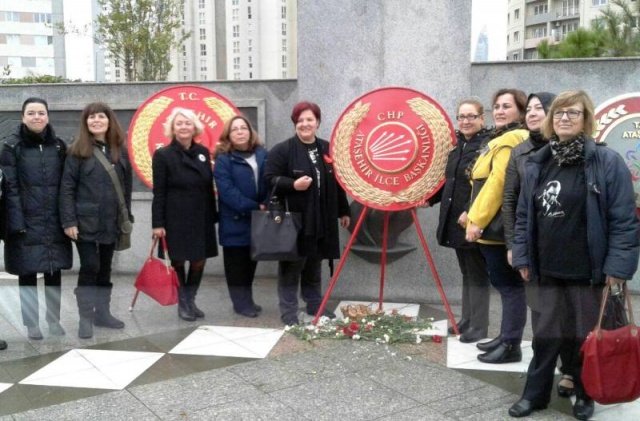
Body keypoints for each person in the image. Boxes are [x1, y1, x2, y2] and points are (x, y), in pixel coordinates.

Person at [509, 90, 639, 420]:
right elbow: (524, 215)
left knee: (584, 337)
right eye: (559, 113)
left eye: (573, 113)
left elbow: (624, 220)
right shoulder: (539, 162)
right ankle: (534, 395)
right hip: (546, 268)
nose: (564, 118)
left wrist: (618, 267)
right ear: (551, 121)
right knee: (545, 337)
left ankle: (585, 393)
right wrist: (522, 257)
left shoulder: (606, 162)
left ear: (586, 119)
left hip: (588, 271)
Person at [503, 92, 575, 397]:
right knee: (543, 322)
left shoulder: (592, 155)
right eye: (529, 108)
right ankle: (538, 387)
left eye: (540, 108)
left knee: (575, 323)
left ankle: (574, 376)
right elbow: (513, 203)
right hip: (538, 252)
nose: (534, 113)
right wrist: (515, 247)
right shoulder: (524, 154)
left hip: (576, 255)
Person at [264, 101, 351, 326]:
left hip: (321, 219)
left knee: (314, 263)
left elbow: (338, 183)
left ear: (317, 122)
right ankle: (289, 312)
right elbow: (269, 179)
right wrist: (293, 185)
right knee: (291, 267)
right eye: (300, 120)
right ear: (295, 123)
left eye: (310, 119)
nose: (305, 124)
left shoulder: (326, 147)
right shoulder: (282, 150)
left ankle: (315, 305)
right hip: (294, 220)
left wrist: (343, 210)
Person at [0, 97, 72, 340]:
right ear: (23, 117)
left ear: (47, 116)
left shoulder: (59, 146)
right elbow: (10, 188)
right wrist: (17, 224)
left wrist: (67, 219)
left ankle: (53, 320)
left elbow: (66, 185)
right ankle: (32, 324)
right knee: (27, 273)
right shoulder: (11, 147)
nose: (36, 117)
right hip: (25, 221)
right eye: (31, 113)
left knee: (54, 271)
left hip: (53, 220)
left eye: (41, 112)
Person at [466, 88, 529, 363]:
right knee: (505, 285)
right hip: (494, 224)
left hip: (496, 228)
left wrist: (475, 220)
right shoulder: (503, 137)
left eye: (507, 106)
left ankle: (511, 344)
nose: (500, 111)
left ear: (521, 111)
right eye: (497, 106)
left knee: (509, 286)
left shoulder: (512, 139)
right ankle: (506, 337)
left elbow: (497, 184)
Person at [59, 102, 133, 339]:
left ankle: (103, 313)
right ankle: (85, 318)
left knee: (105, 269)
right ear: (86, 122)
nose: (97, 121)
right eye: (92, 118)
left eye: (101, 117)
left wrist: (126, 216)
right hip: (84, 222)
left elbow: (126, 188)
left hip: (111, 221)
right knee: (90, 267)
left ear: (109, 121)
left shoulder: (118, 150)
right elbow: (67, 189)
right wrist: (69, 221)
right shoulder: (76, 151)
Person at [426, 98, 491, 343]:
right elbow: (450, 184)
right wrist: (430, 200)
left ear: (482, 118)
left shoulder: (486, 146)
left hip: (472, 220)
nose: (465, 121)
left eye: (471, 116)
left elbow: (485, 186)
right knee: (466, 272)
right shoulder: (458, 148)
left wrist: (471, 211)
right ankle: (467, 320)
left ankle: (480, 326)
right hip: (456, 221)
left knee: (477, 274)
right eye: (461, 117)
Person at [152, 107, 218, 322]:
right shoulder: (163, 155)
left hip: (201, 216)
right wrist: (157, 223)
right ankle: (183, 303)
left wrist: (213, 215)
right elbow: (159, 191)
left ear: (194, 127)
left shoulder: (202, 152)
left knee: (199, 261)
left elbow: (209, 187)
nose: (183, 126)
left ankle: (191, 299)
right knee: (178, 261)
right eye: (179, 123)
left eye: (187, 123)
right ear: (172, 128)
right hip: (176, 218)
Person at [213, 115, 267, 318]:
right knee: (237, 266)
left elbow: (270, 180)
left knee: (251, 262)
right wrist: (255, 206)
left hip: (259, 219)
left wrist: (268, 202)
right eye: (234, 129)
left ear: (250, 131)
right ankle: (240, 304)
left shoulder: (262, 154)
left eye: (243, 127)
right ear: (228, 135)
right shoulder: (223, 159)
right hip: (235, 219)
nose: (240, 132)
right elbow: (227, 192)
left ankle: (248, 300)